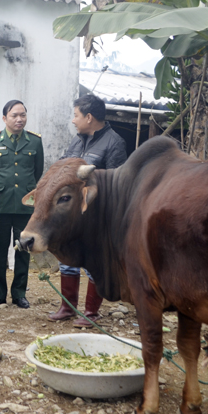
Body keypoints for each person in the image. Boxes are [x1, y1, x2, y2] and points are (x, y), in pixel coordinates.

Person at [48, 93, 127, 327]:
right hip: (73, 218)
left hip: (97, 219)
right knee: (68, 259)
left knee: (94, 263)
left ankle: (90, 313)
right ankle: (67, 307)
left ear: (89, 117)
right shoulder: (77, 140)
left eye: (76, 116)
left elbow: (116, 183)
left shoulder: (115, 143)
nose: (73, 120)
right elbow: (62, 167)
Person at [0, 100, 44, 310]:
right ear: (4, 118)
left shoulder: (35, 142)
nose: (20, 119)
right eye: (14, 115)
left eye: (23, 115)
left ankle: (19, 294)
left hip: (24, 207)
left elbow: (37, 172)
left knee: (23, 251)